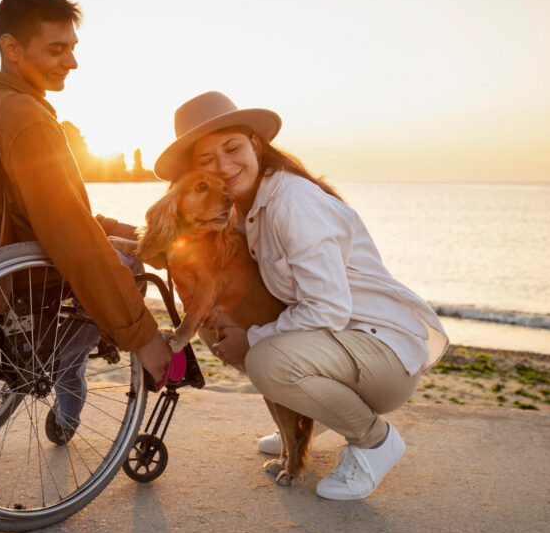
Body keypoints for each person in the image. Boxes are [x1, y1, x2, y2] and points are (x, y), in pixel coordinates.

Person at [153, 91, 449, 500]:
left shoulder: (294, 203)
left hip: (382, 358)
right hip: (340, 348)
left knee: (264, 358)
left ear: (255, 145)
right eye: (206, 160)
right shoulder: (241, 206)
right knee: (233, 335)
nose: (223, 166)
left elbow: (326, 309)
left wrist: (253, 340)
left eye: (233, 147)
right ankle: (299, 426)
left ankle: (374, 441)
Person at [0, 0, 171, 441]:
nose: (72, 62)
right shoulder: (29, 122)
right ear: (12, 48)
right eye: (56, 49)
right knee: (130, 267)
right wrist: (142, 335)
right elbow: (71, 239)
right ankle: (78, 386)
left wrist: (111, 233)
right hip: (27, 282)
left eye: (72, 48)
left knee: (125, 237)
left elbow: (37, 210)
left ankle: (73, 388)